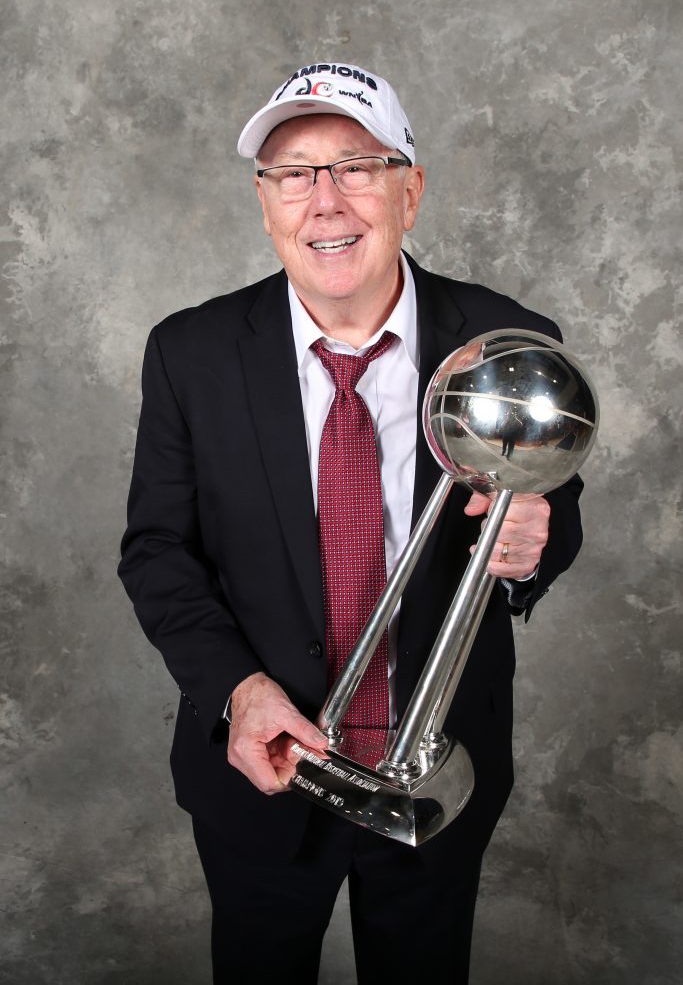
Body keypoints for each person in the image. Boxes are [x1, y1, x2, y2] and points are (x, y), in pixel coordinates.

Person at [119, 62, 583, 984]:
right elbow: (157, 552)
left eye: (356, 167)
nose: (324, 202)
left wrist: (530, 547)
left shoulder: (505, 339)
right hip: (263, 764)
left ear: (409, 190)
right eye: (293, 173)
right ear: (265, 203)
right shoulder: (192, 353)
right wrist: (239, 691)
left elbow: (551, 511)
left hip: (434, 776)